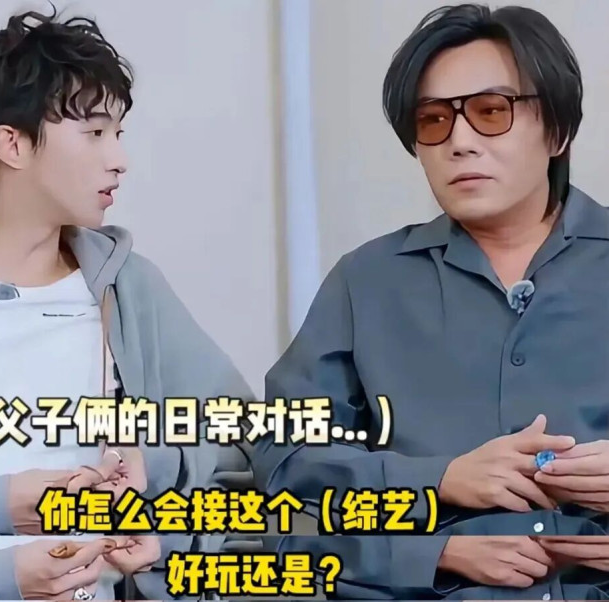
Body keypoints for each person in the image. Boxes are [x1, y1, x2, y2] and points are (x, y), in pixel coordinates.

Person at [0, 6, 254, 600]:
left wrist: (155, 471)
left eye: (118, 134)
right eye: (94, 132)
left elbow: (244, 446)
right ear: (12, 144)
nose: (119, 159)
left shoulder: (126, 289)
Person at [253, 3, 609, 600]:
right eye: (434, 120)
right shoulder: (367, 283)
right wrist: (437, 485)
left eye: (491, 112)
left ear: (557, 131)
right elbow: (283, 462)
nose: (459, 142)